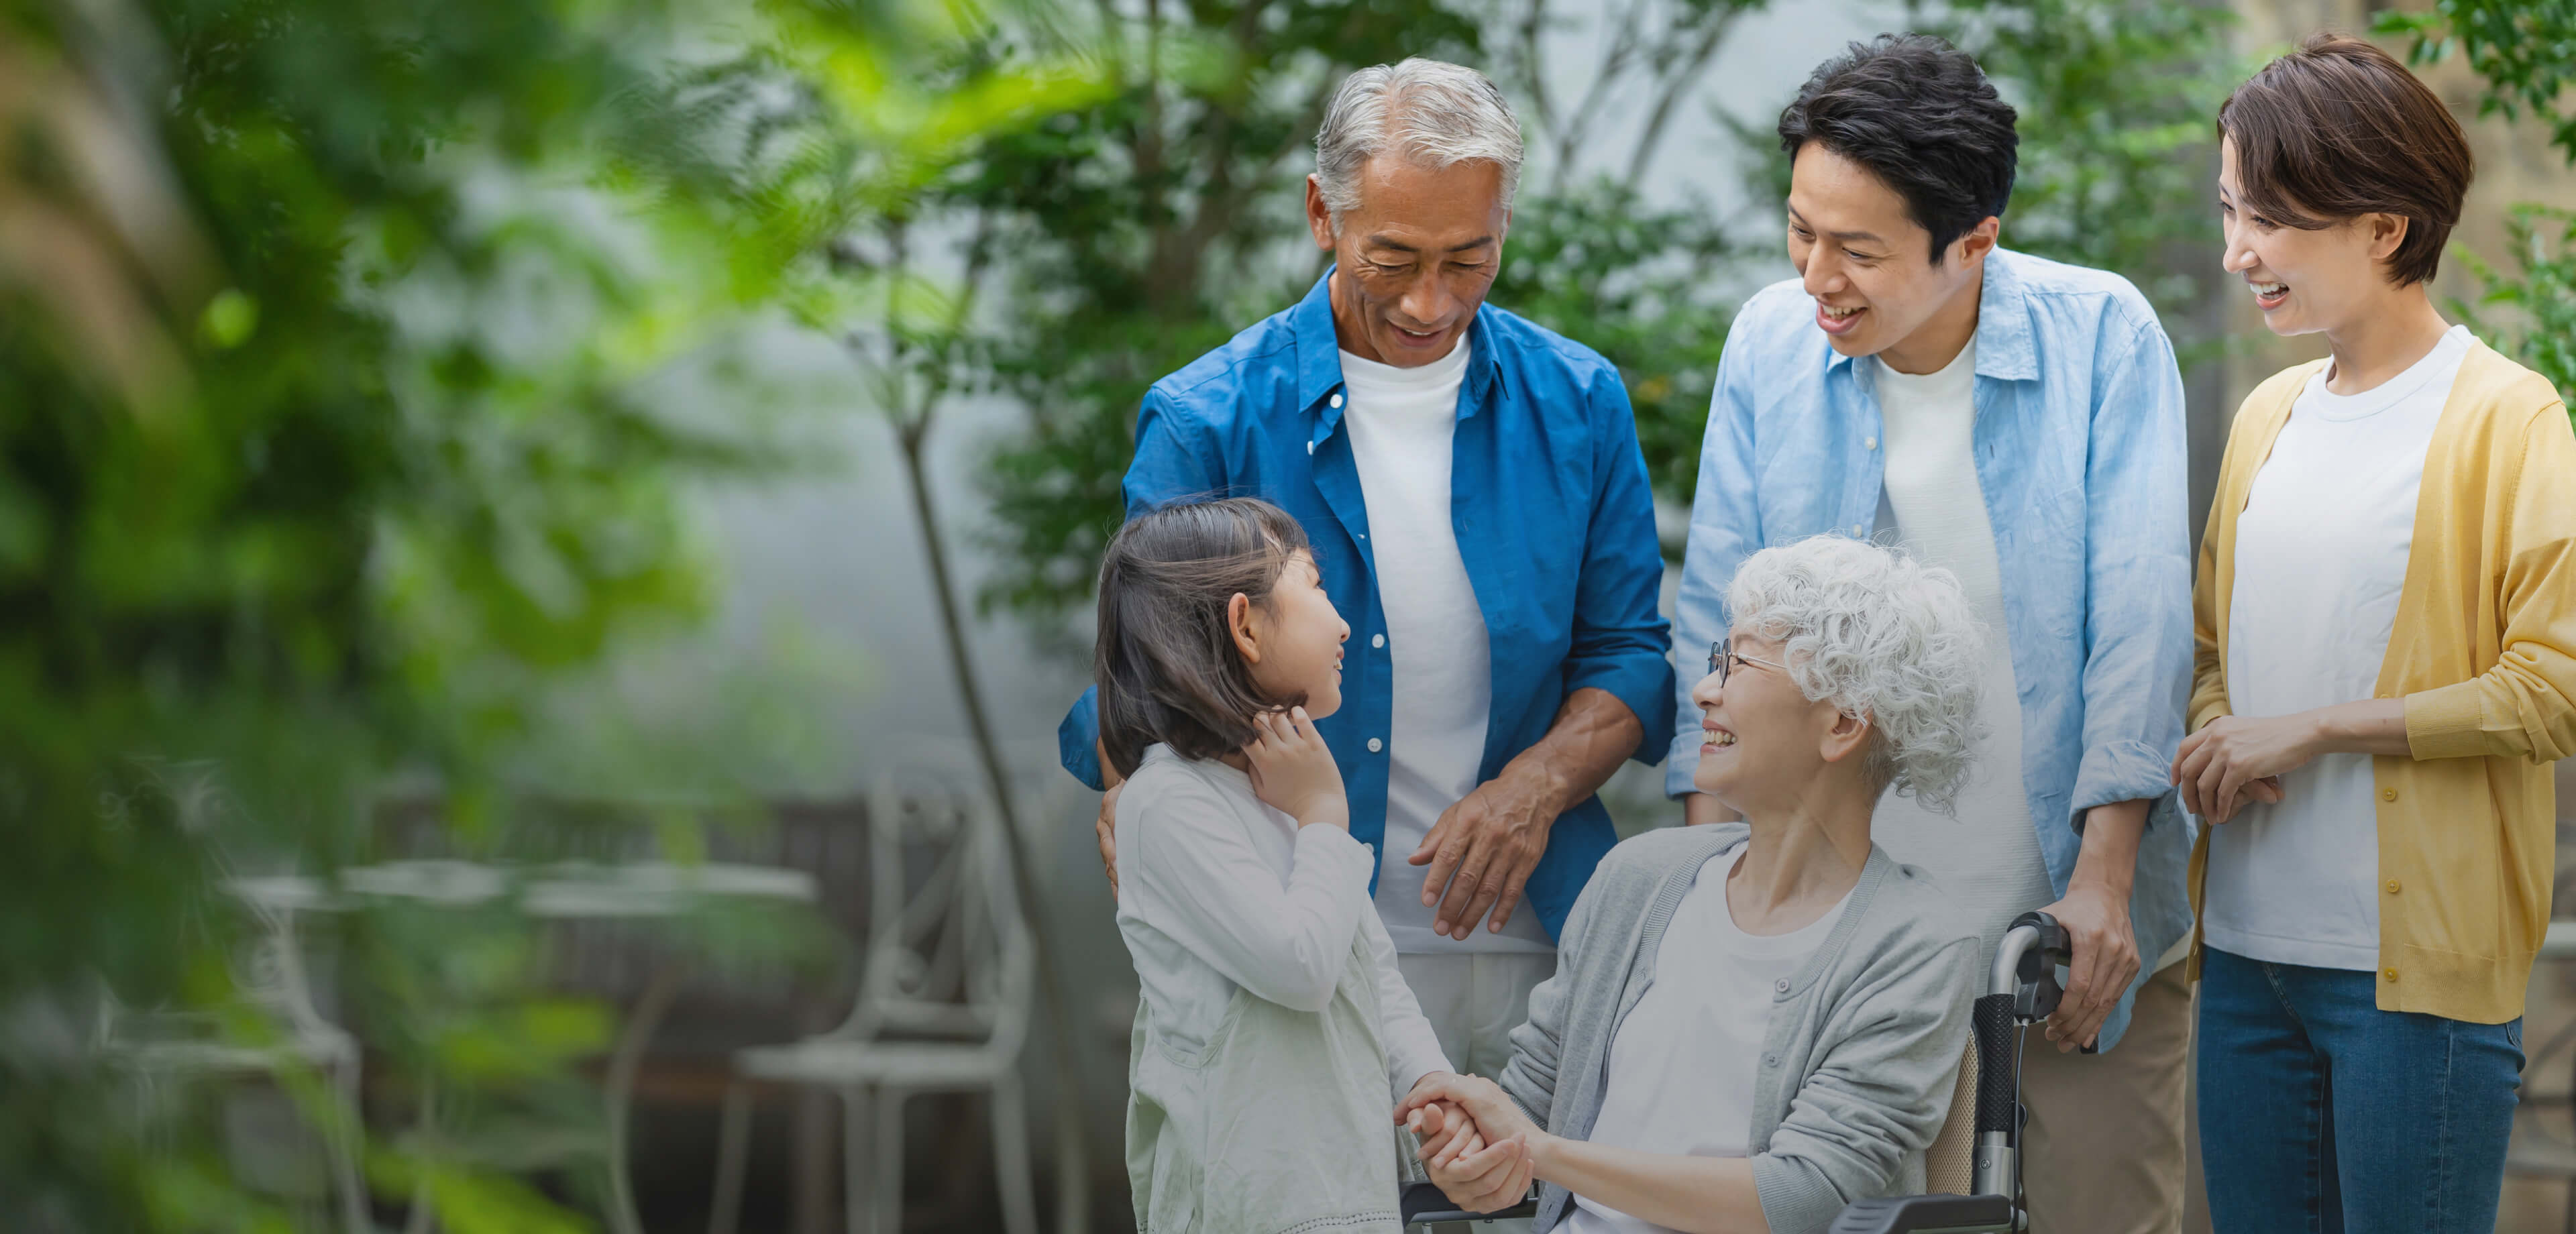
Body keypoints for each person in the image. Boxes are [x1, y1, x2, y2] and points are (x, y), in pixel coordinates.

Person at [1666, 34, 2196, 1231]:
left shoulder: (2101, 336)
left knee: (2100, 1211)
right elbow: (1722, 622)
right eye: (1801, 231)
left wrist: (2106, 879)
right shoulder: (1767, 343)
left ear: (1975, 243)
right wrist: (1710, 892)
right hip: (1834, 932)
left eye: (1858, 250)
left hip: (2065, 917)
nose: (1817, 277)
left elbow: (2144, 617)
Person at [1058, 58, 1674, 1079]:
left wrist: (1537, 785)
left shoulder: (1579, 401)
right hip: (1300, 948)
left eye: (1469, 260)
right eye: (1394, 258)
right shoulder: (1207, 417)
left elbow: (1630, 656)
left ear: (1505, 225)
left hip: (1541, 945)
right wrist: (1137, 793)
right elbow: (1144, 679)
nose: (1432, 301)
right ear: (1321, 214)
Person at [2177, 34, 2576, 1233]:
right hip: (2245, 961)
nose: (2239, 251)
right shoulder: (2267, 414)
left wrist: (2315, 731)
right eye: (2230, 211)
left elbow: (2552, 686)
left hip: (2413, 988)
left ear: (2383, 228)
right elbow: (2212, 656)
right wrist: (2216, 737)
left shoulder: (2509, 417)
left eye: (2271, 221)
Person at [1395, 535, 1983, 1234]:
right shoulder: (1637, 879)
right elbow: (1531, 1102)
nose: (1704, 689)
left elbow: (1801, 1197)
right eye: (1714, 662)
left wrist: (1542, 1153)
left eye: (1737, 664)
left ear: (1844, 723)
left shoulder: (1919, 944)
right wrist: (1470, 1146)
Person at [1096, 497, 1481, 1233]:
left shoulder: (1282, 797)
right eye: (1316, 586)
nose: (1344, 623)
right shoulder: (1169, 801)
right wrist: (1325, 818)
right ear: (1245, 624)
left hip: (1352, 1198)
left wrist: (1432, 1084)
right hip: (1252, 1209)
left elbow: (1368, 974)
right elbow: (1299, 966)